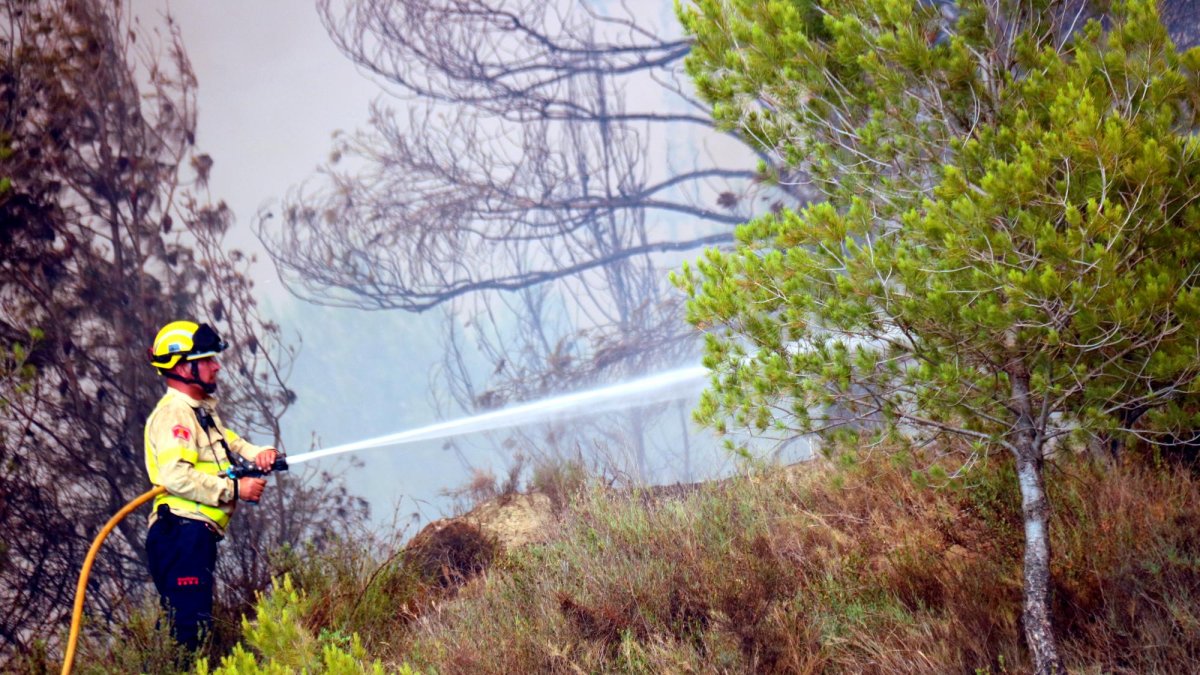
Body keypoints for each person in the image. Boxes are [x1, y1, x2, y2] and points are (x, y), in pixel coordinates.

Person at [142, 320, 280, 652]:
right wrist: (236, 490)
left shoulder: (199, 411)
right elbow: (175, 477)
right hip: (179, 534)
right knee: (189, 631)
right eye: (207, 359)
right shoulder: (175, 415)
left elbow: (226, 441)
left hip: (193, 535)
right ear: (181, 367)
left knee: (191, 625)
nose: (216, 366)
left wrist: (257, 453)